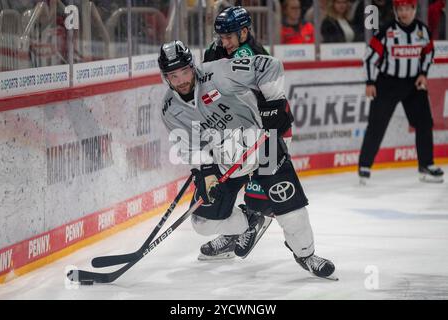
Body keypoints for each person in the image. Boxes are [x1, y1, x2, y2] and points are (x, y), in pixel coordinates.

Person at [158, 40, 337, 279]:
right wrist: (205, 171)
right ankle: (248, 221)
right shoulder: (170, 109)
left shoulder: (217, 72)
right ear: (165, 78)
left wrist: (274, 103)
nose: (181, 80)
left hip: (262, 144)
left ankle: (306, 254)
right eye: (173, 75)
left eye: (184, 71)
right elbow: (187, 145)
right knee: (202, 222)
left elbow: (269, 65)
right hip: (224, 160)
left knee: (290, 210)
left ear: (193, 66)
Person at [201, 6, 277, 261]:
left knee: (259, 190)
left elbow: (269, 100)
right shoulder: (214, 52)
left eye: (230, 36)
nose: (225, 42)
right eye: (222, 37)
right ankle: (234, 228)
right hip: (224, 130)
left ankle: (255, 217)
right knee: (222, 189)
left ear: (245, 31)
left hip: (255, 132)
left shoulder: (257, 56)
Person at [359, 0, 444, 184]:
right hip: (387, 84)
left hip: (413, 84)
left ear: (414, 10)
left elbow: (428, 53)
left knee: (424, 122)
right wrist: (370, 82)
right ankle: (364, 166)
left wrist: (423, 73)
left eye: (407, 9)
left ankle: (426, 165)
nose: (404, 13)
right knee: (377, 124)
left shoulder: (422, 31)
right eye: (400, 9)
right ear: (396, 10)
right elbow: (368, 58)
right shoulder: (386, 31)